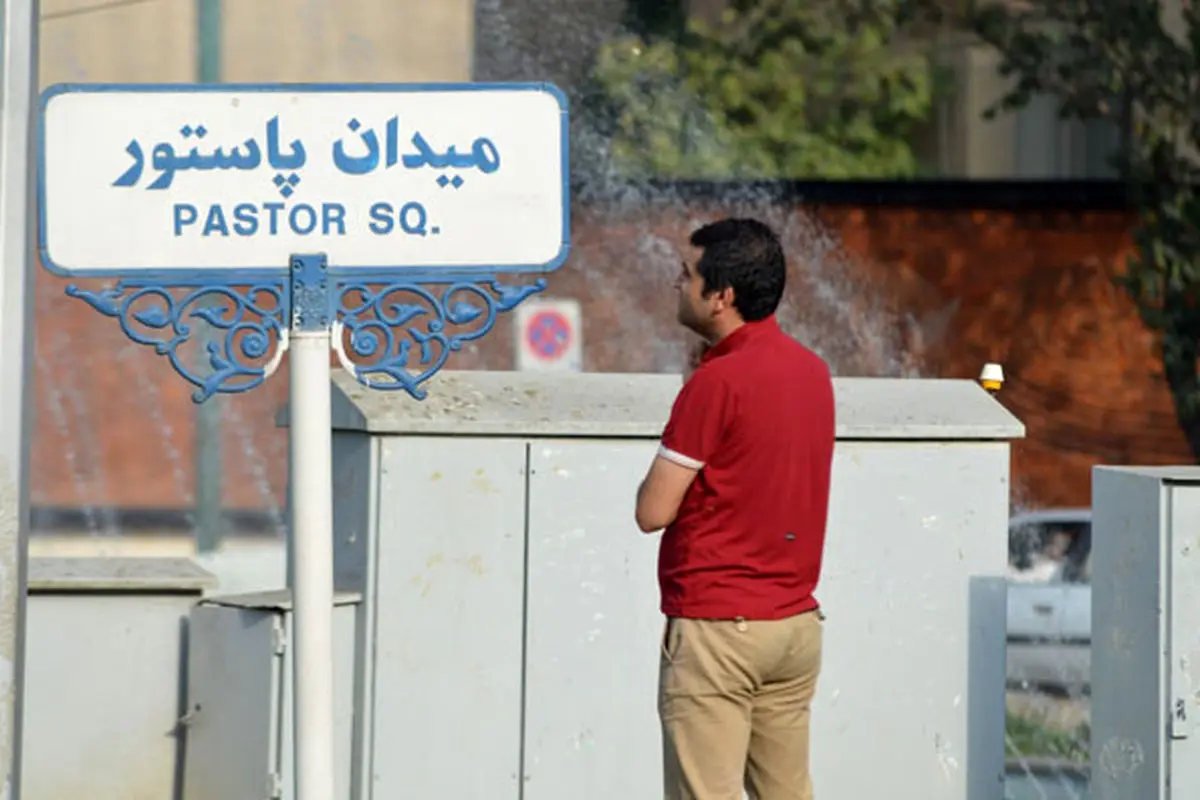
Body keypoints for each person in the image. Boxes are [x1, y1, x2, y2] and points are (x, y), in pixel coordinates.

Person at [634, 218, 836, 800]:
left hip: (720, 628)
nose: (676, 283)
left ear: (721, 296)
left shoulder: (717, 383)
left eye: (687, 273)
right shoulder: (812, 371)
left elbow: (652, 511)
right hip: (793, 627)